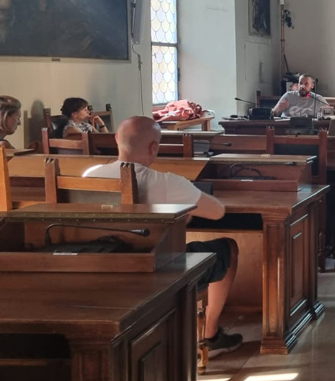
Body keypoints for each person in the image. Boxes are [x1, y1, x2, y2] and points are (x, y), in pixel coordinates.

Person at [83, 117, 243, 357]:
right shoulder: (167, 182)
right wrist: (183, 211)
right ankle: (210, 336)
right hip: (153, 273)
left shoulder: (89, 175)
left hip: (97, 268)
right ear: (153, 147)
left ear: (116, 139)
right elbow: (217, 212)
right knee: (227, 248)